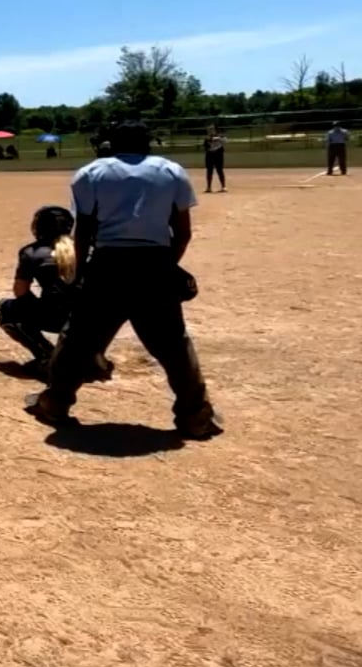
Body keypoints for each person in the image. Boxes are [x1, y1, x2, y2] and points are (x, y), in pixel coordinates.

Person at [26, 122, 221, 440]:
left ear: (112, 144)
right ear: (148, 143)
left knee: (77, 339)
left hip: (108, 263)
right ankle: (195, 416)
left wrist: (79, 273)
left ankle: (55, 404)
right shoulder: (172, 171)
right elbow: (183, 232)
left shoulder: (92, 173)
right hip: (155, 261)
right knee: (173, 344)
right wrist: (166, 266)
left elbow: (84, 232)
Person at [0, 206, 112, 378]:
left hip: (56, 319)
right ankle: (92, 355)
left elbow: (20, 291)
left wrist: (37, 305)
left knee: (1, 309)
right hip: (93, 321)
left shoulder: (32, 252)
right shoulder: (89, 250)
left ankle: (48, 357)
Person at [202, 126, 227, 193]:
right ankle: (209, 187)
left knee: (219, 170)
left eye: (212, 130)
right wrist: (209, 141)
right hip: (210, 155)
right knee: (209, 171)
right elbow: (205, 146)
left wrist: (217, 138)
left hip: (218, 154)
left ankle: (223, 187)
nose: (210, 131)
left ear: (215, 130)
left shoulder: (220, 136)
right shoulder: (207, 138)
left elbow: (225, 140)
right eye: (209, 130)